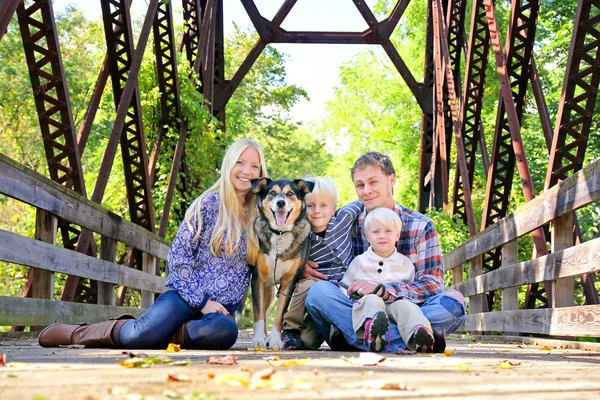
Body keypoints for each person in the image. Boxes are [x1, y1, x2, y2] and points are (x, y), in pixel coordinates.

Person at [38, 138, 268, 350]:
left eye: (254, 166)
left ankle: (165, 333)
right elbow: (179, 258)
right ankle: (78, 333)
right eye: (240, 163)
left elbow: (273, 264)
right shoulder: (207, 204)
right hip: (185, 297)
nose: (247, 171)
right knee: (137, 337)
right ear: (229, 165)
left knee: (225, 332)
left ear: (261, 172)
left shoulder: (262, 216)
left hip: (218, 314)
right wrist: (203, 301)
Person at [304, 151, 467, 353]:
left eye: (373, 182)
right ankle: (414, 338)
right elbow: (307, 234)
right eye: (360, 185)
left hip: (406, 308)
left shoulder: (420, 225)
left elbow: (432, 284)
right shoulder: (345, 221)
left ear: (392, 180)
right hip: (359, 307)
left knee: (453, 304)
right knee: (318, 293)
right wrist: (299, 265)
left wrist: (384, 291)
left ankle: (359, 339)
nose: (366, 191)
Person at [280, 177, 360, 350]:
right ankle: (290, 329)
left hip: (345, 292)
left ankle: (337, 330)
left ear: (334, 208)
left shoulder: (344, 218)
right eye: (310, 205)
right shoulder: (298, 234)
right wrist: (299, 265)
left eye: (323, 205)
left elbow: (364, 200)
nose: (317, 211)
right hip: (315, 291)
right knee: (307, 341)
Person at [340, 207, 435, 353]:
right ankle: (373, 331)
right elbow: (345, 287)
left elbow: (409, 290)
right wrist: (353, 295)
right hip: (367, 304)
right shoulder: (359, 262)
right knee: (371, 300)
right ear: (367, 236)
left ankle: (419, 333)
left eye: (388, 231)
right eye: (376, 232)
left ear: (397, 235)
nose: (382, 236)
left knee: (407, 306)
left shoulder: (405, 263)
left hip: (394, 305)